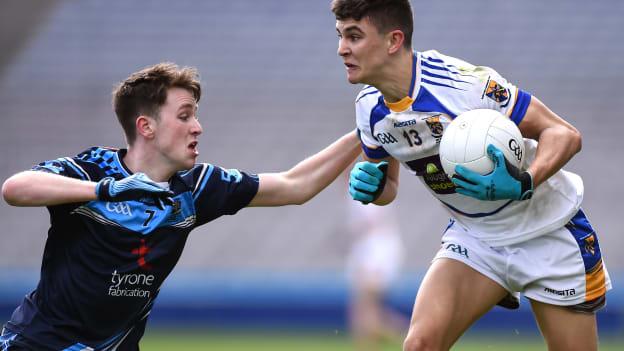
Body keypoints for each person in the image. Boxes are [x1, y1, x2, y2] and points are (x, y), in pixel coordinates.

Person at [0, 62, 361, 350]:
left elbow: (294, 186)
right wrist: (105, 190)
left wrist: (364, 130)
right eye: (185, 115)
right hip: (40, 343)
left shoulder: (196, 186)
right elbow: (16, 188)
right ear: (146, 127)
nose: (198, 127)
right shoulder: (92, 169)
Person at [331, 1, 611, 350]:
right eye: (341, 36)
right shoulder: (368, 108)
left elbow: (565, 134)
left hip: (547, 231)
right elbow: (388, 187)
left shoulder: (465, 85)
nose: (342, 48)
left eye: (354, 37)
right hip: (476, 238)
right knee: (419, 344)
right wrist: (374, 188)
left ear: (393, 40)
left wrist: (524, 183)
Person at [343, 190, 407, 351]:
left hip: (376, 252)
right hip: (370, 251)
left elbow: (372, 223)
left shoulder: (364, 188)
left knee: (366, 309)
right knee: (364, 310)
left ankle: (413, 337)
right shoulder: (355, 191)